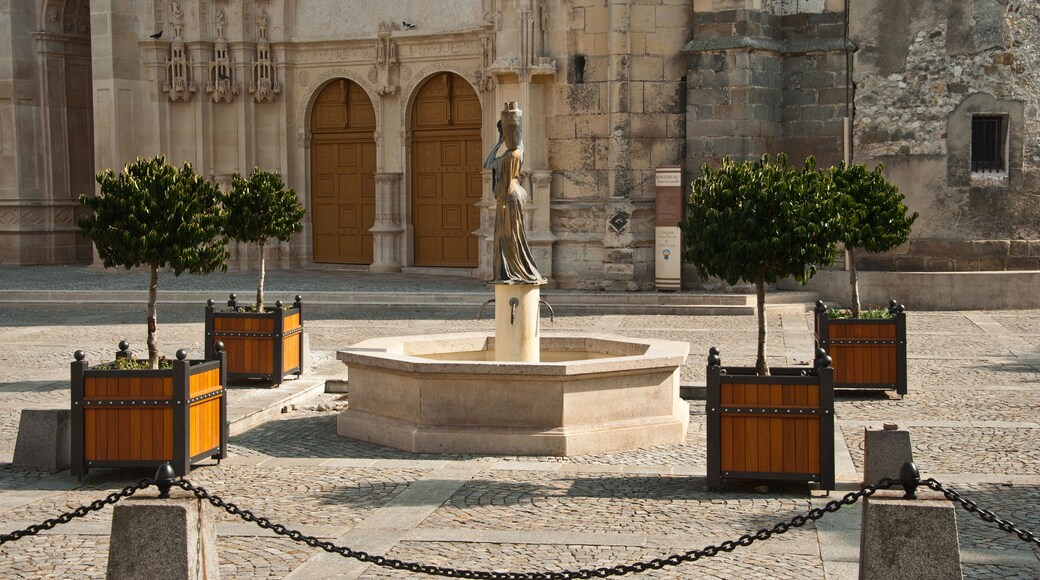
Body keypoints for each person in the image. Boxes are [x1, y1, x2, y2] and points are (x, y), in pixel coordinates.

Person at [487, 102, 545, 285]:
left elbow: (488, 164)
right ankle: (512, 268)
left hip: (509, 196)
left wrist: (498, 143)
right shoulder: (518, 151)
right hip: (511, 194)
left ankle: (513, 268)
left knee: (509, 236)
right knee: (510, 235)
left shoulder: (513, 154)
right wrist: (499, 142)